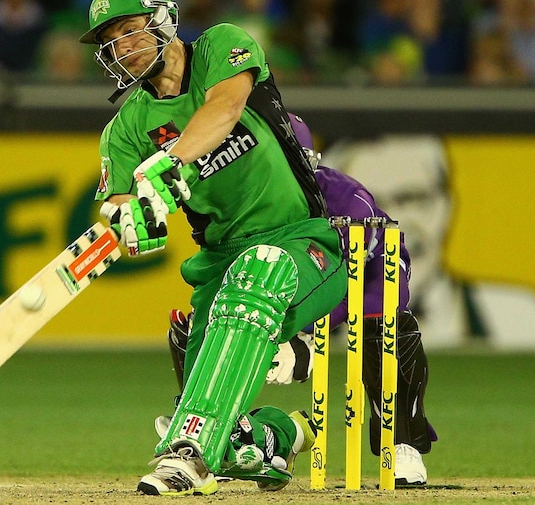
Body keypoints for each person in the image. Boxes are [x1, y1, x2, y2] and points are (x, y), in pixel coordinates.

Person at [79, 0, 348, 496]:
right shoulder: (125, 129)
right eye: (110, 42)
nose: (122, 50)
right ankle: (277, 436)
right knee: (224, 423)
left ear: (162, 20)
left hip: (306, 244)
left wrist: (172, 167)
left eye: (129, 32)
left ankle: (188, 455)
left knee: (260, 267)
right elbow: (116, 204)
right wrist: (131, 222)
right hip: (219, 269)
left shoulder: (223, 46)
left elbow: (224, 109)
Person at [162, 112, 436, 486]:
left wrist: (302, 336)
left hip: (369, 270)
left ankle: (401, 443)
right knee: (202, 324)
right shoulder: (250, 205)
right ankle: (226, 436)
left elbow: (338, 278)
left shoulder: (345, 199)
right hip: (289, 283)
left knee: (384, 323)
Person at [323, 135, 535, 349]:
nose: (396, 223)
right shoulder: (315, 315)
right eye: (370, 205)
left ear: (447, 205)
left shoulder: (518, 315)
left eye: (413, 199)